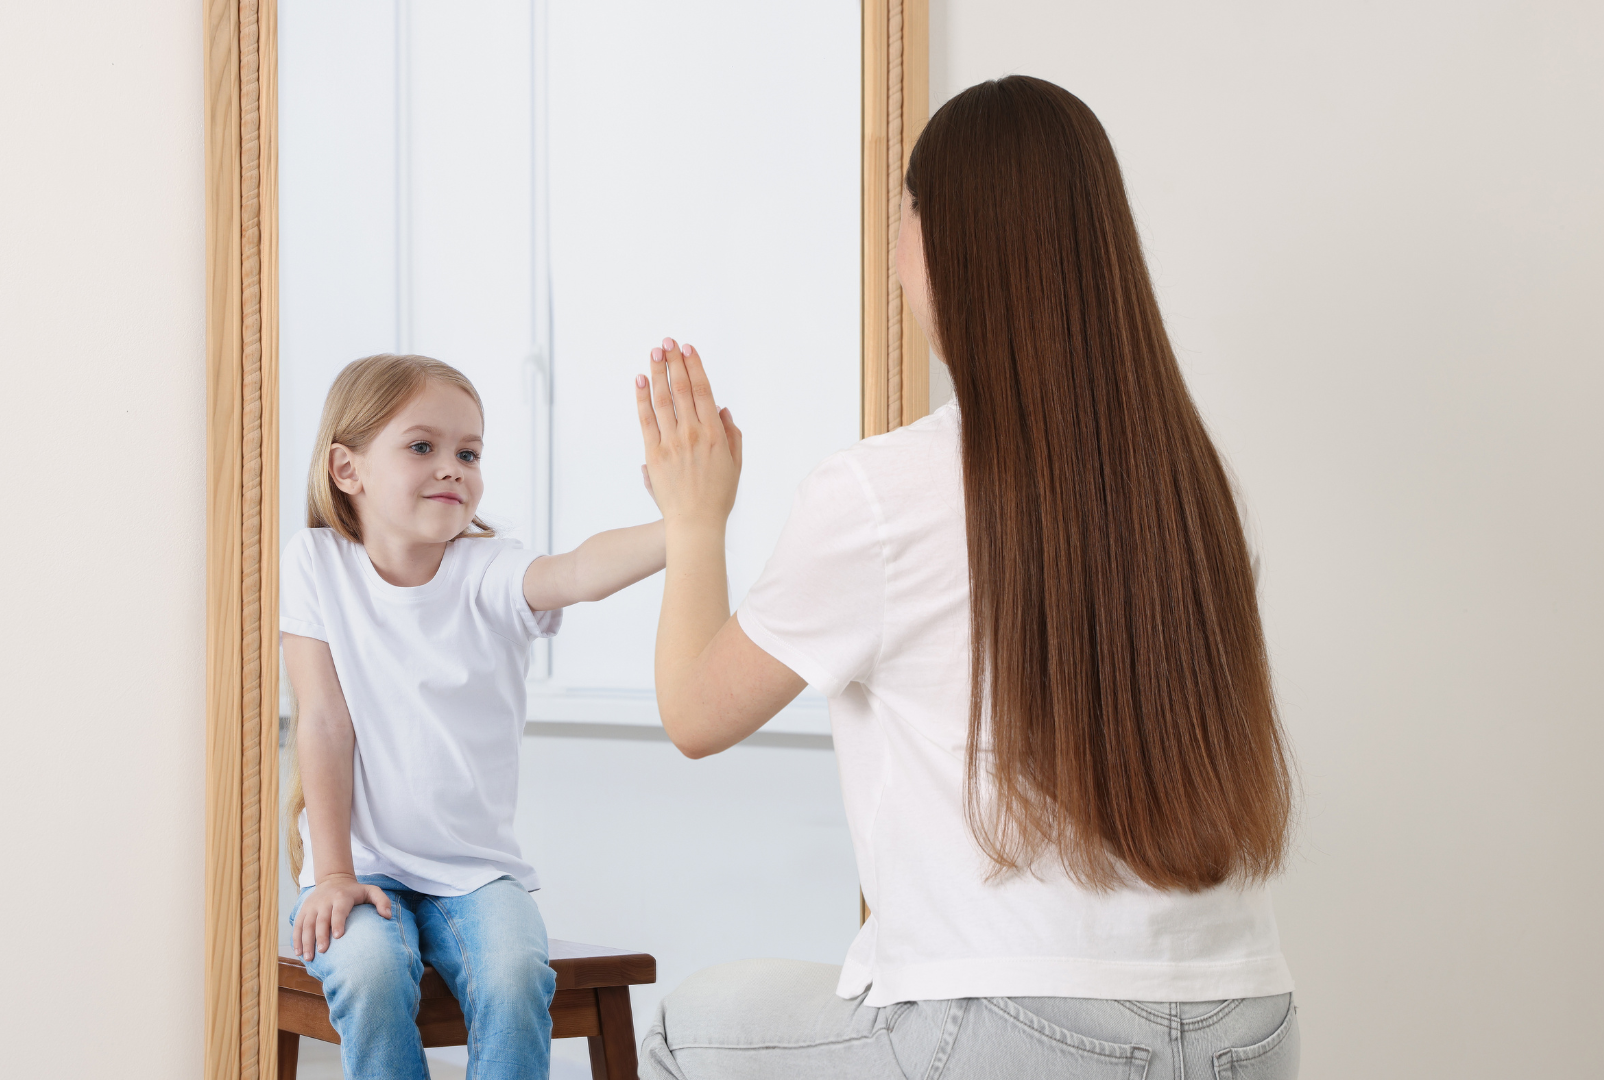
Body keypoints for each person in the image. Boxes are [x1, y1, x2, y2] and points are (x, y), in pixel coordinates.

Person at [634, 76, 1300, 1079]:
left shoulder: (876, 493)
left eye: (906, 206)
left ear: (944, 238)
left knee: (687, 1029)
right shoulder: (1192, 489)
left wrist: (694, 520)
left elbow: (694, 713)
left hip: (1015, 1026)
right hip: (1250, 1025)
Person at [280, 354, 665, 1080]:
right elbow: (324, 722)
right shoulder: (315, 563)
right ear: (347, 469)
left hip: (474, 874)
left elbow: (577, 571)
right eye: (422, 447)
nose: (453, 467)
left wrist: (683, 524)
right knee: (366, 975)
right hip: (357, 865)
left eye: (469, 452)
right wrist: (330, 871)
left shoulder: (486, 569)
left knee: (516, 975)